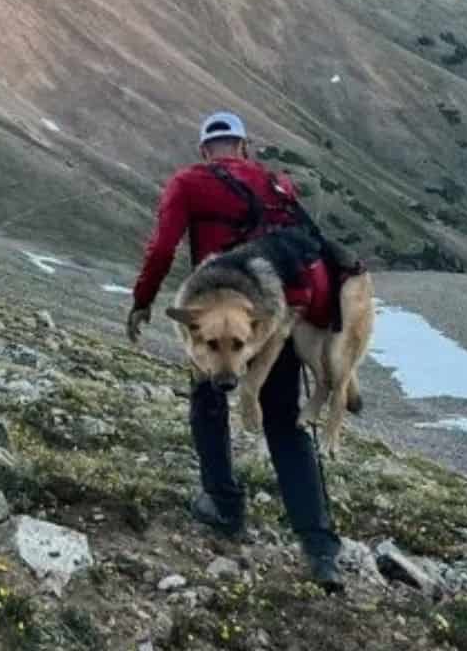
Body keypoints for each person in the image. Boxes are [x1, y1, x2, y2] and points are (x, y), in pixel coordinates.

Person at [125, 111, 345, 589]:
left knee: (208, 404)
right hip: (269, 317)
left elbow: (162, 248)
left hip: (213, 313)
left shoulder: (189, 182)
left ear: (206, 151)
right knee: (285, 424)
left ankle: (224, 504)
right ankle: (319, 547)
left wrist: (143, 301)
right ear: (244, 147)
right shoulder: (276, 184)